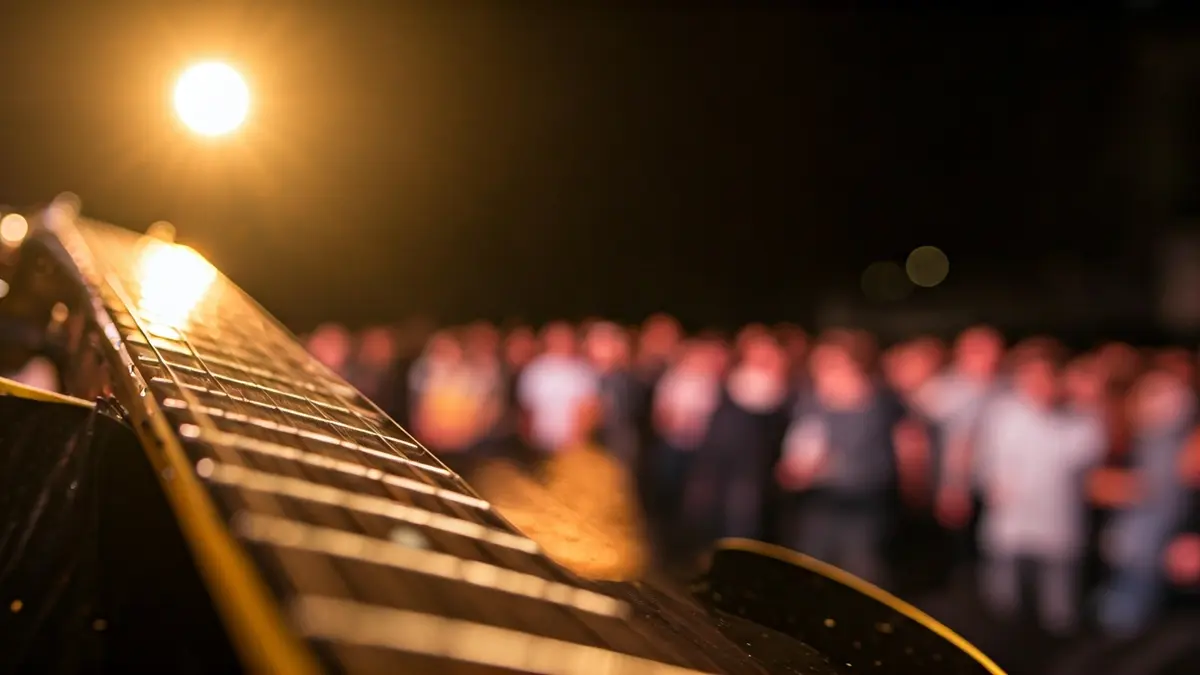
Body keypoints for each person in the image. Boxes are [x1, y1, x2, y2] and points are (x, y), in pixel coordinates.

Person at [972, 347, 1104, 635]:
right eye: (1031, 377)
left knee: (1058, 611)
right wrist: (990, 484)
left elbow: (1093, 464)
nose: (1038, 385)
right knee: (1003, 606)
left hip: (1058, 526)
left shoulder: (1080, 420)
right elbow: (984, 460)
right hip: (1009, 525)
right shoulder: (1002, 414)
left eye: (1045, 378)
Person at [775, 333, 912, 588]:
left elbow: (903, 446)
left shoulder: (881, 403)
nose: (821, 372)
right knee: (811, 566)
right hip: (819, 501)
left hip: (863, 503)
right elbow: (802, 442)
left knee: (860, 570)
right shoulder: (811, 402)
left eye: (829, 363)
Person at [1093, 367, 1196, 637]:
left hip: (1158, 550)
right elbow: (1100, 486)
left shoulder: (1179, 446)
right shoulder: (1132, 441)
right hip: (1131, 548)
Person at [516, 322, 599, 456]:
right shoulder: (534, 370)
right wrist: (529, 441)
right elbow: (527, 409)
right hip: (539, 444)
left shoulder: (582, 370)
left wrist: (579, 438)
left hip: (573, 445)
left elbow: (589, 408)